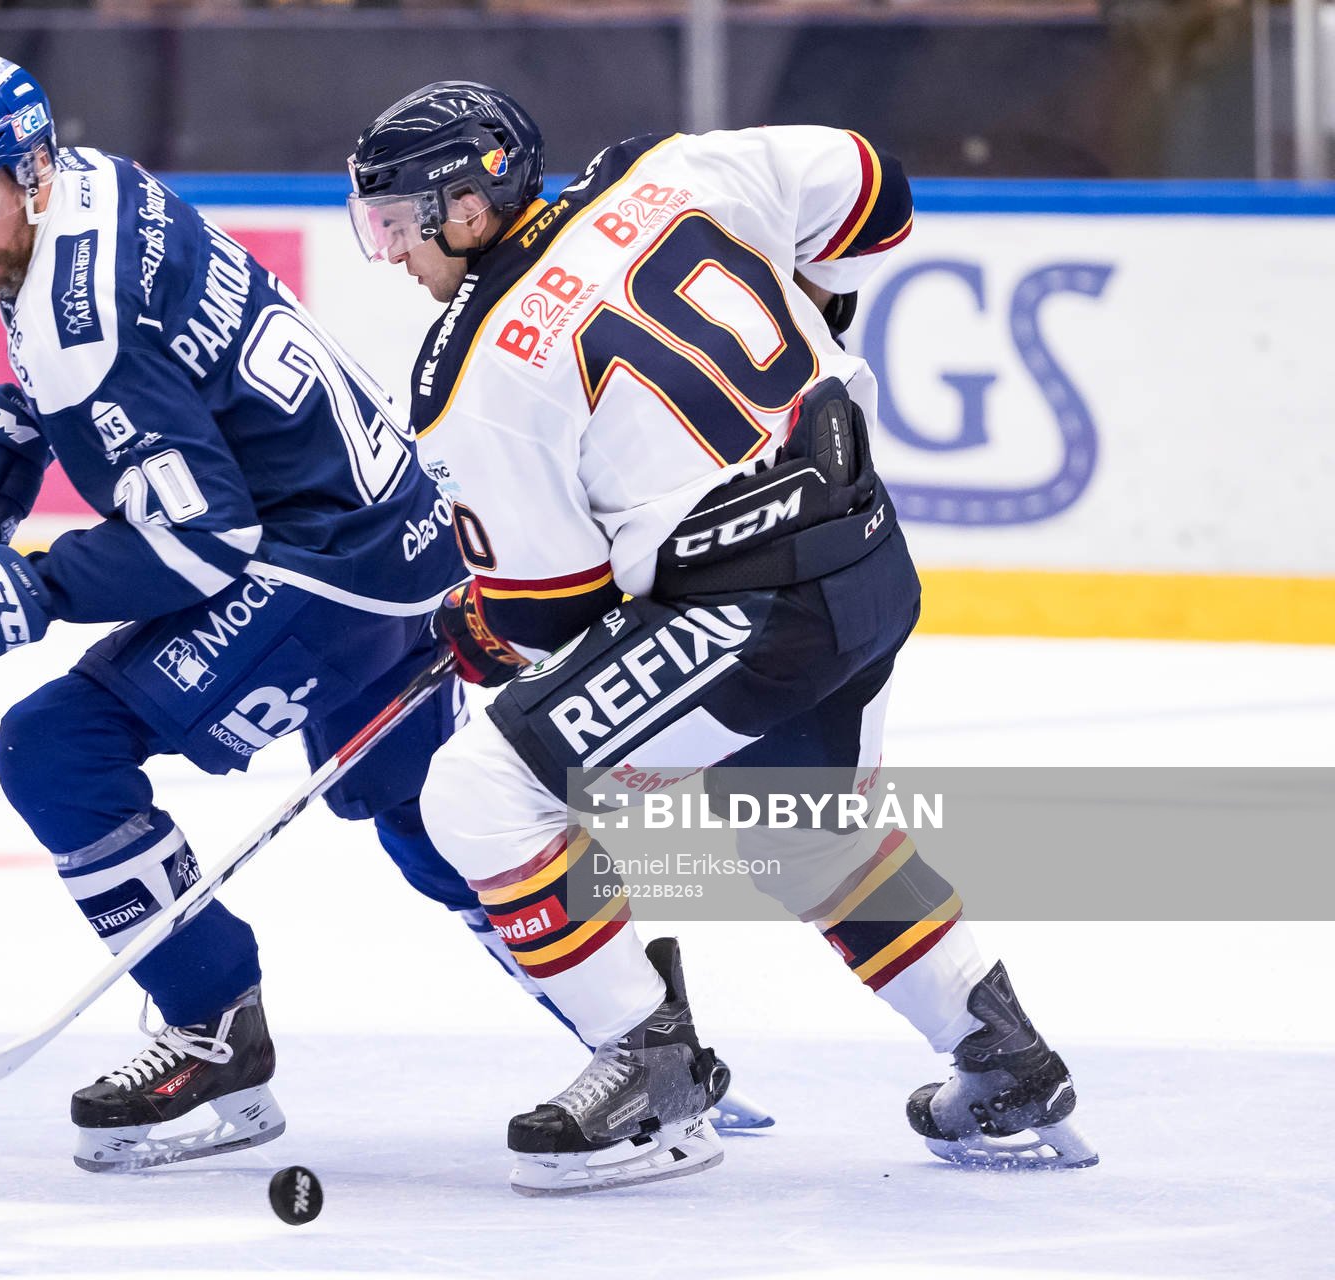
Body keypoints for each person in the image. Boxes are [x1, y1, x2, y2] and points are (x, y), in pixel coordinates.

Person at [0, 57, 767, 1176]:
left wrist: (29, 588)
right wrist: (24, 417)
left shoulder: (71, 309)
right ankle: (643, 1034)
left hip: (323, 565)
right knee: (423, 812)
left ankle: (213, 1033)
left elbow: (200, 539)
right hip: (402, 534)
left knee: (55, 744)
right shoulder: (103, 187)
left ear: (33, 172)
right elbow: (155, 366)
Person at [347, 80, 1095, 1194]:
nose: (393, 255)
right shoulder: (671, 167)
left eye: (402, 224)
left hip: (746, 615)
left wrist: (482, 625)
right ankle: (1009, 1060)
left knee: (483, 791)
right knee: (811, 834)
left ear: (468, 205)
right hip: (870, 559)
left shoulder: (475, 372)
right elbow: (875, 189)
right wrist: (820, 306)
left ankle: (654, 1062)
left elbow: (555, 611)